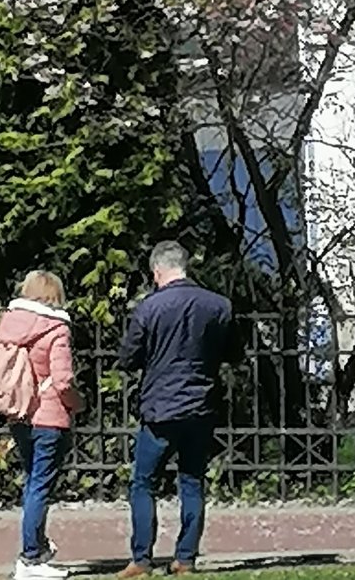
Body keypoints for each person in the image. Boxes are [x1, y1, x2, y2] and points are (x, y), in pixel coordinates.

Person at [115, 242, 232, 578]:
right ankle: (186, 558)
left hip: (160, 409)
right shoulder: (218, 305)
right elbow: (233, 351)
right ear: (185, 266)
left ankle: (141, 559)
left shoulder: (149, 308)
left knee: (143, 483)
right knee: (192, 480)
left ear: (157, 271)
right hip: (201, 405)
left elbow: (128, 357)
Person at [0, 270, 83, 580]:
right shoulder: (56, 329)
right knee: (40, 487)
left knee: (33, 483)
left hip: (19, 414)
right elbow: (63, 379)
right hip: (49, 416)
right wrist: (77, 403)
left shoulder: (9, 324)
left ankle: (38, 548)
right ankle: (31, 559)